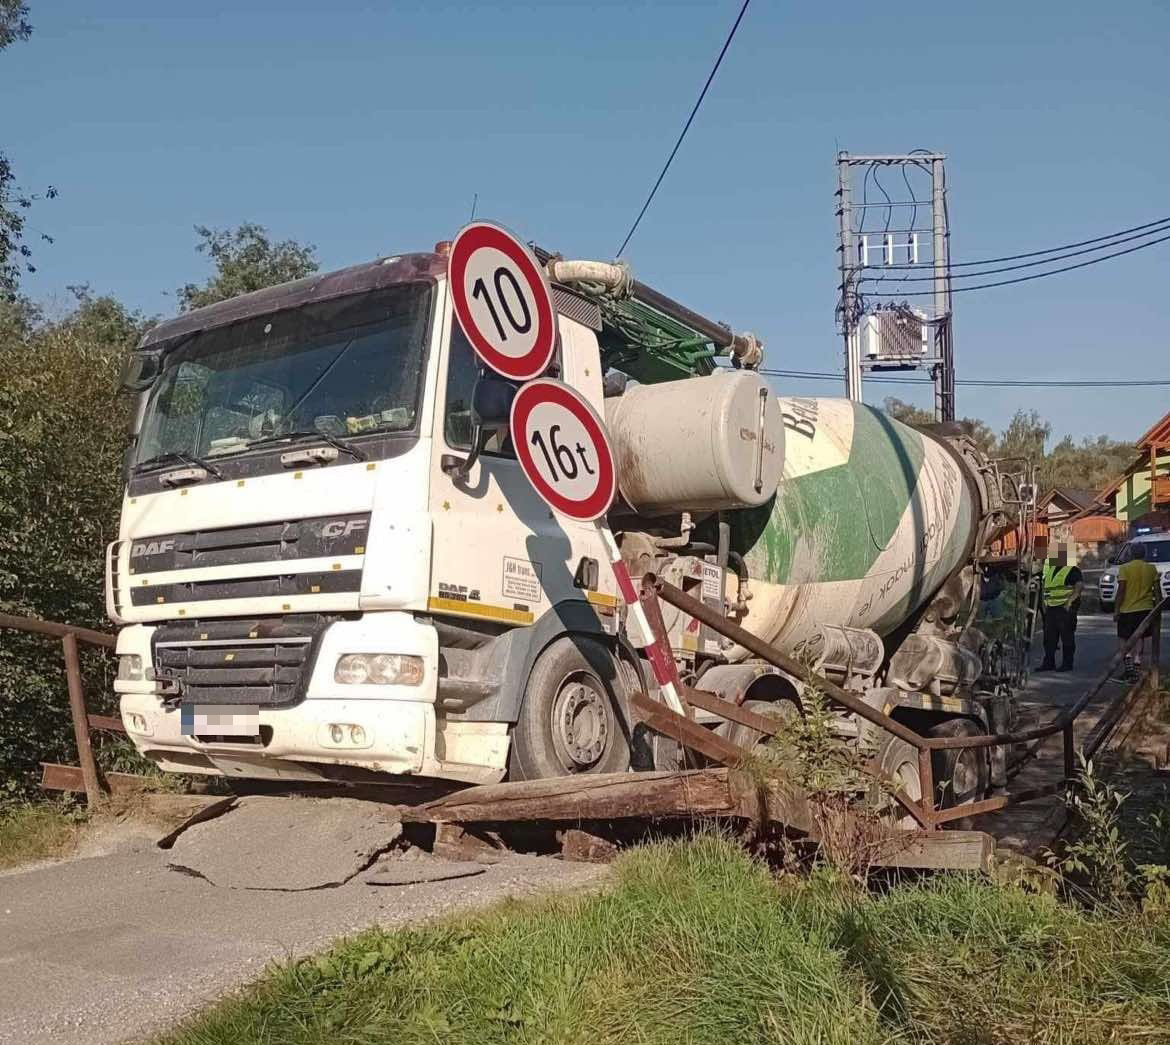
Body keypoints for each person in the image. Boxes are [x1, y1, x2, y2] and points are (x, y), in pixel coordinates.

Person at [1114, 543, 1160, 681]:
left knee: (1123, 638)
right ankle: (1137, 666)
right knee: (1139, 637)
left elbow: (1121, 590)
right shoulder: (1151, 569)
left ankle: (1128, 669)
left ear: (1131, 554)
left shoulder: (1125, 568)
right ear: (1144, 554)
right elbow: (1157, 591)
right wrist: (1157, 608)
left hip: (1127, 609)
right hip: (1145, 609)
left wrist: (1116, 609)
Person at [1038, 549, 1083, 672]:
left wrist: (1070, 602)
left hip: (1065, 609)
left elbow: (1078, 587)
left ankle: (1067, 664)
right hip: (1051, 609)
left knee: (1067, 637)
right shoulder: (1051, 570)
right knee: (1049, 639)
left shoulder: (1072, 570)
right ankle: (1049, 662)